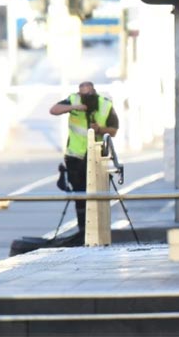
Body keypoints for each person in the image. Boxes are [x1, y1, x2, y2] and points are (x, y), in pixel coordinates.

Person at [50, 81, 119, 243]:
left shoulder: (105, 105)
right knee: (80, 196)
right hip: (76, 156)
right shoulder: (73, 100)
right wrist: (73, 108)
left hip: (97, 157)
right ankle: (83, 232)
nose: (86, 97)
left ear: (94, 92)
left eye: (89, 94)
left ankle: (99, 231)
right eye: (83, 94)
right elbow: (54, 110)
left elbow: (114, 130)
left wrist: (100, 130)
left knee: (97, 195)